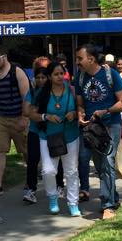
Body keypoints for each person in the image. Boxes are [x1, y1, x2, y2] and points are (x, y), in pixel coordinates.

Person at [75, 44, 122, 220]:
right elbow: (80, 103)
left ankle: (108, 205)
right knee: (99, 164)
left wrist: (105, 111)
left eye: (80, 58)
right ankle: (114, 197)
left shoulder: (110, 74)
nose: (77, 62)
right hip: (91, 128)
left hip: (110, 124)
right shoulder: (80, 77)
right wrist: (80, 114)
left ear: (90, 59)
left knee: (107, 162)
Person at [27, 61, 80, 216]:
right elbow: (31, 114)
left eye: (61, 73)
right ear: (49, 76)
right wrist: (46, 116)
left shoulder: (71, 90)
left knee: (71, 171)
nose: (59, 77)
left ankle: (73, 203)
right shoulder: (42, 93)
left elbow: (81, 109)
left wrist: (75, 114)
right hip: (47, 136)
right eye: (56, 74)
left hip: (70, 136)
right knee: (48, 170)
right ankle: (52, 197)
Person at [0, 44, 29, 197]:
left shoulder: (17, 72)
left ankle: (31, 179)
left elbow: (26, 96)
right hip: (1, 119)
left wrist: (24, 117)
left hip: (18, 118)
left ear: (4, 57)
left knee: (25, 150)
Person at [23, 65, 64, 203]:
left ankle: (59, 186)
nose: (40, 80)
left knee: (56, 158)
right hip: (35, 130)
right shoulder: (33, 92)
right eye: (38, 77)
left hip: (51, 131)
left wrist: (36, 111)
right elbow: (26, 111)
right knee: (33, 159)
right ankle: (31, 189)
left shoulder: (55, 91)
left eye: (43, 77)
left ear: (48, 78)